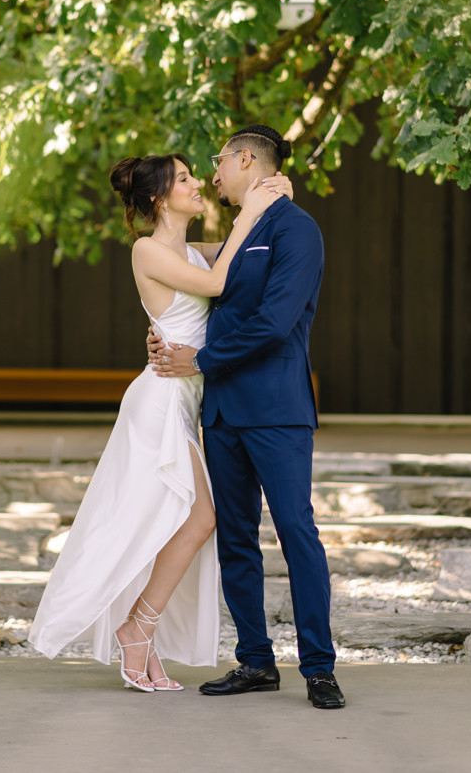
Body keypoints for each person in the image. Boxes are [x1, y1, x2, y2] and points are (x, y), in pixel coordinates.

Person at [28, 151, 289, 692]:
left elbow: (242, 255)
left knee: (180, 520)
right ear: (158, 198)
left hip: (185, 399)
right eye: (185, 179)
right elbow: (217, 284)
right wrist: (248, 211)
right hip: (160, 400)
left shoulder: (194, 250)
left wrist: (271, 193)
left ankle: (139, 631)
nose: (198, 184)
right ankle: (137, 628)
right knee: (197, 519)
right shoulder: (146, 249)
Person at [149, 124, 345, 710]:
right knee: (235, 539)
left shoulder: (297, 229)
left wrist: (199, 359)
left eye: (217, 163)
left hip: (277, 409)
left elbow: (276, 322)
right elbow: (187, 281)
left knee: (296, 533)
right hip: (221, 410)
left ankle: (319, 668)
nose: (212, 176)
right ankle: (256, 661)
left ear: (243, 160)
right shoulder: (236, 232)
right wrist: (162, 333)